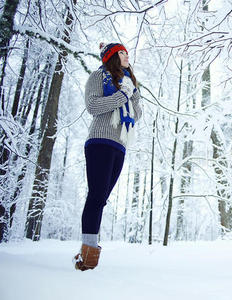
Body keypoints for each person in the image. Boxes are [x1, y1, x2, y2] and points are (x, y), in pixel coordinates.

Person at [73, 42, 142, 271]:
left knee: (101, 199)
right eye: (122, 52)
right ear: (112, 56)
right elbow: (93, 106)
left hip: (120, 145)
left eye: (127, 53)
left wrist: (132, 94)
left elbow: (137, 113)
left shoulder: (129, 83)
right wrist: (122, 95)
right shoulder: (98, 77)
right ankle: (87, 254)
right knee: (96, 196)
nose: (126, 55)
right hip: (100, 141)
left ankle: (88, 251)